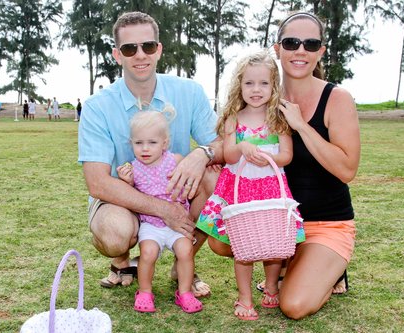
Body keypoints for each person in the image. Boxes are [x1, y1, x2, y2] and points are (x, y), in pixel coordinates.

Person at [78, 11, 222, 298]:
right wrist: (162, 210)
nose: (140, 55)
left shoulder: (189, 91)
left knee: (216, 178)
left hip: (175, 192)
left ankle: (184, 262)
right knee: (115, 232)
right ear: (117, 55)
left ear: (159, 50)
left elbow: (223, 142)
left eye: (148, 46)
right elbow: (98, 183)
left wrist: (202, 154)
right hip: (122, 196)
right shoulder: (96, 106)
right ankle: (121, 261)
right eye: (130, 48)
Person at [196, 50, 305, 320]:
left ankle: (270, 287)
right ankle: (244, 297)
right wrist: (243, 146)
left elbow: (286, 156)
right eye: (249, 83)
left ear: (274, 86)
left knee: (274, 242)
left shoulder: (277, 119)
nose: (256, 90)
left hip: (269, 189)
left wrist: (266, 158)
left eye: (264, 83)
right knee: (242, 247)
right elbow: (230, 155)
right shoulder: (234, 118)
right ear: (239, 86)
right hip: (239, 190)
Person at [270, 12, 360, 319]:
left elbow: (347, 169)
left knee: (293, 305)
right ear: (277, 48)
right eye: (291, 42)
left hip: (327, 224)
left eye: (311, 44)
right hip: (281, 223)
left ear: (321, 51)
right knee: (221, 242)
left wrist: (301, 126)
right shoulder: (264, 97)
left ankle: (328, 268)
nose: (300, 51)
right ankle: (292, 263)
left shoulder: (337, 99)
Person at [117, 108, 203, 313]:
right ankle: (145, 292)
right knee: (148, 253)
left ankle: (184, 293)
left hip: (177, 223)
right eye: (139, 143)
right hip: (151, 224)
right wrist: (127, 182)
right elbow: (131, 198)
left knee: (186, 251)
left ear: (164, 143)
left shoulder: (175, 160)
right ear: (131, 144)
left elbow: (191, 181)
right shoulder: (133, 168)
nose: (145, 149)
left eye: (152, 143)